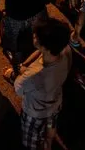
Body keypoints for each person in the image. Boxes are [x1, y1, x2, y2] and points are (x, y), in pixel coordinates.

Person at [15, 18, 71, 150]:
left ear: (44, 46)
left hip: (35, 114)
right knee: (50, 127)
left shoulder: (34, 76)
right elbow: (41, 53)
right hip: (55, 103)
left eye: (36, 37)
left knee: (32, 142)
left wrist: (21, 70)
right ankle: (49, 143)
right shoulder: (65, 51)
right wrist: (25, 66)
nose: (33, 36)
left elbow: (18, 88)